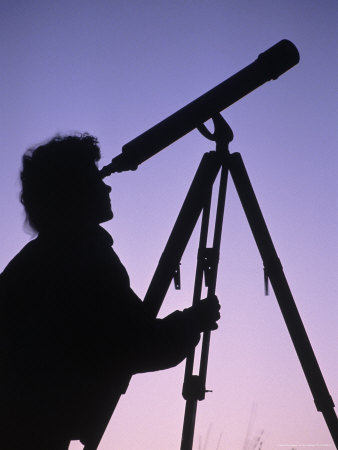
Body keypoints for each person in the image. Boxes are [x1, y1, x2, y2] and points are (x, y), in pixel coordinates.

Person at [0, 134, 221, 449]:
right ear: (73, 192)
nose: (107, 186)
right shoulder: (83, 255)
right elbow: (135, 344)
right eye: (94, 179)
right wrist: (190, 323)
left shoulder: (40, 258)